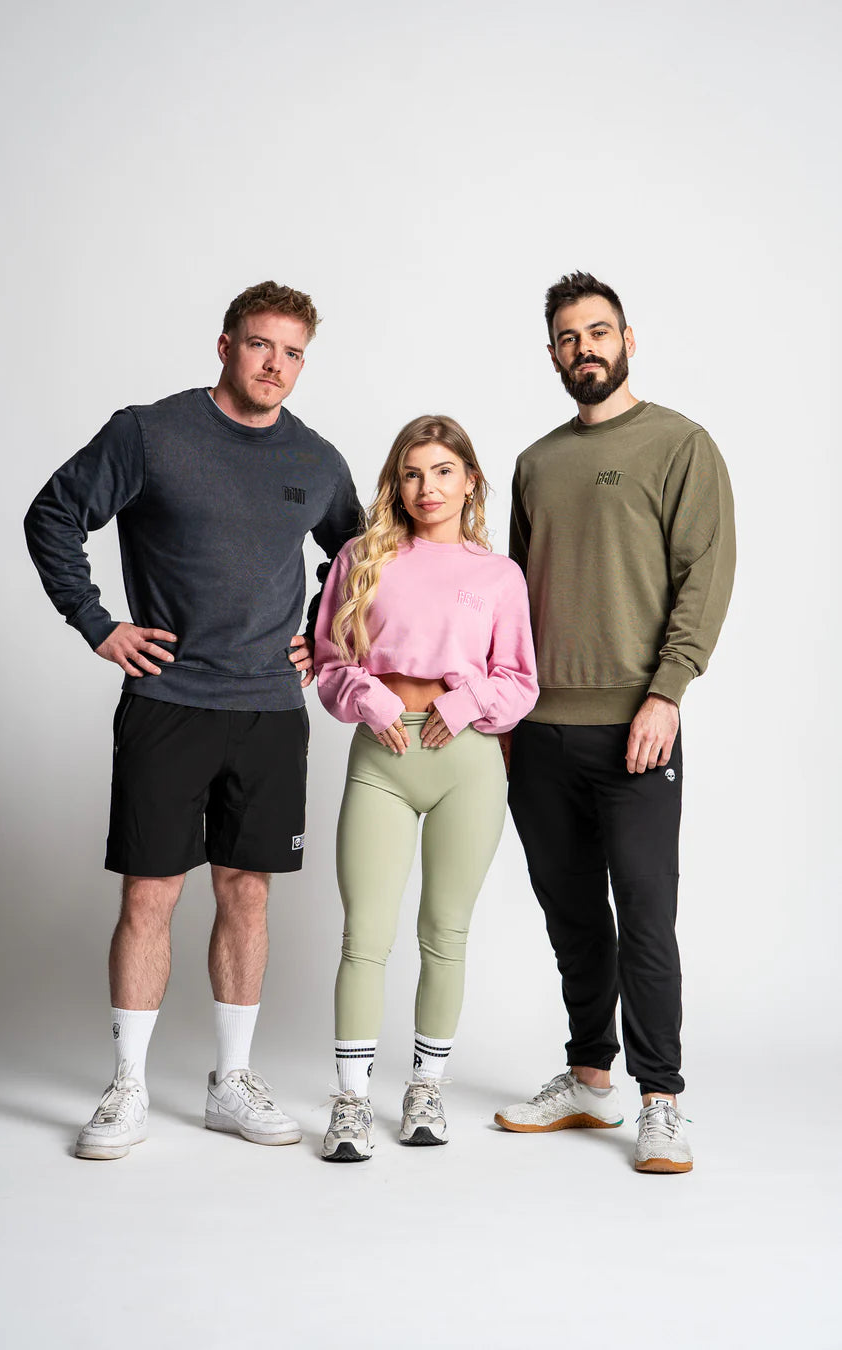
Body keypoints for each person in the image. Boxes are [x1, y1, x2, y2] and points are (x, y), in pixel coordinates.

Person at [24, 281, 361, 1159]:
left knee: (248, 893)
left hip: (270, 711)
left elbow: (359, 559)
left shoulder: (317, 458)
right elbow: (53, 515)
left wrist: (322, 633)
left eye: (293, 353)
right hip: (169, 703)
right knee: (151, 894)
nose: (275, 365)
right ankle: (127, 1086)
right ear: (225, 346)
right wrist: (97, 622)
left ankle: (230, 1081)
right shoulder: (151, 433)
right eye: (260, 345)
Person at [496, 272, 735, 1173]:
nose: (584, 348)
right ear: (552, 354)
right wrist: (506, 712)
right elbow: (512, 598)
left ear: (628, 339)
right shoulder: (535, 463)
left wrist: (667, 692)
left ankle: (661, 1099)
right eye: (568, 337)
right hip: (538, 732)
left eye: (598, 332)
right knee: (570, 914)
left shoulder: (680, 444)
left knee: (644, 912)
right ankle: (590, 1077)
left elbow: (704, 576)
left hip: (639, 724)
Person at [313, 414, 537, 1162]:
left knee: (445, 932)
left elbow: (519, 679)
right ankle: (350, 1103)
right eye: (412, 473)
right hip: (382, 756)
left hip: (465, 763)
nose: (427, 487)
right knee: (365, 935)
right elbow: (329, 659)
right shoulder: (361, 557)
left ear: (470, 480)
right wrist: (368, 698)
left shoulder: (499, 576)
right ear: (396, 484)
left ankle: (425, 1089)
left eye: (443, 471)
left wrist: (467, 704)